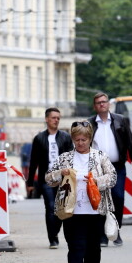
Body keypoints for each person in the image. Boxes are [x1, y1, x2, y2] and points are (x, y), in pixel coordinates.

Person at [45, 121, 116, 263]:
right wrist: (60, 173)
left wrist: (95, 180)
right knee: (75, 247)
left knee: (93, 249)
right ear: (72, 139)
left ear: (90, 139)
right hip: (72, 211)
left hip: (95, 211)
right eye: (77, 140)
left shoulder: (100, 157)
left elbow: (113, 177)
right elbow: (48, 179)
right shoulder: (65, 158)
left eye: (83, 139)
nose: (80, 143)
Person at [88, 92, 132, 247]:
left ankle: (115, 232)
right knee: (100, 201)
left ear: (108, 104)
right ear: (95, 106)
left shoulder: (120, 121)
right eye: (98, 102)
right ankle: (102, 236)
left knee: (118, 197)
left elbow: (130, 143)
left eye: (104, 101)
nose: (102, 104)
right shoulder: (89, 124)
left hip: (117, 166)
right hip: (97, 168)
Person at [27, 107, 74, 249]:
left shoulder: (65, 137)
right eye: (53, 117)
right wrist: (30, 182)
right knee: (50, 207)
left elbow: (72, 158)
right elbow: (33, 161)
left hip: (63, 179)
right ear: (47, 119)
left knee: (61, 208)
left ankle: (55, 230)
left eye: (58, 118)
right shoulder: (39, 138)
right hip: (46, 179)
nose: (56, 120)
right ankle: (53, 239)